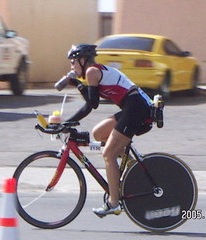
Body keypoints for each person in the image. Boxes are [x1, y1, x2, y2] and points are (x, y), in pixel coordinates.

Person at [65, 44, 153, 217]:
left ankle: (114, 203)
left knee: (108, 154)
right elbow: (94, 102)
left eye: (73, 62)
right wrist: (77, 83)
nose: (72, 67)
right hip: (133, 106)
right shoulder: (93, 72)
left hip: (136, 107)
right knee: (98, 133)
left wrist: (68, 122)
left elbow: (90, 105)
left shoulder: (91, 72)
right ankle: (128, 164)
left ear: (83, 60)